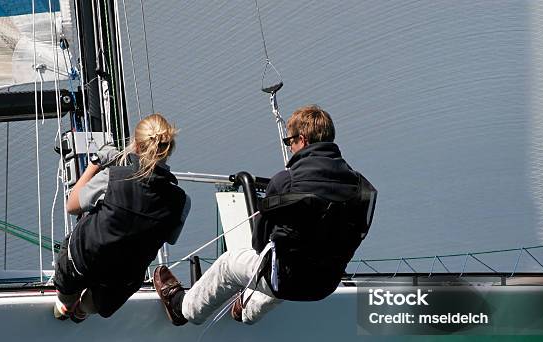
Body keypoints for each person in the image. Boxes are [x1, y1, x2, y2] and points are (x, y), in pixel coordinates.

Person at [154, 105, 376, 326]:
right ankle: (245, 311)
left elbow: (259, 244)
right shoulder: (362, 186)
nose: (290, 148)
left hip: (288, 282)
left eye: (290, 142)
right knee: (294, 262)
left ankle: (182, 309)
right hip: (326, 284)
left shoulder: (284, 182)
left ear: (303, 140)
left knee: (232, 263)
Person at [54, 113, 191, 322]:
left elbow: (72, 206)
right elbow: (170, 238)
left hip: (83, 260)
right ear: (169, 149)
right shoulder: (181, 201)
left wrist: (96, 163)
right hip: (120, 279)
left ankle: (66, 304)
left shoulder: (112, 177)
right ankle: (82, 310)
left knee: (68, 281)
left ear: (135, 145)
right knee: (102, 299)